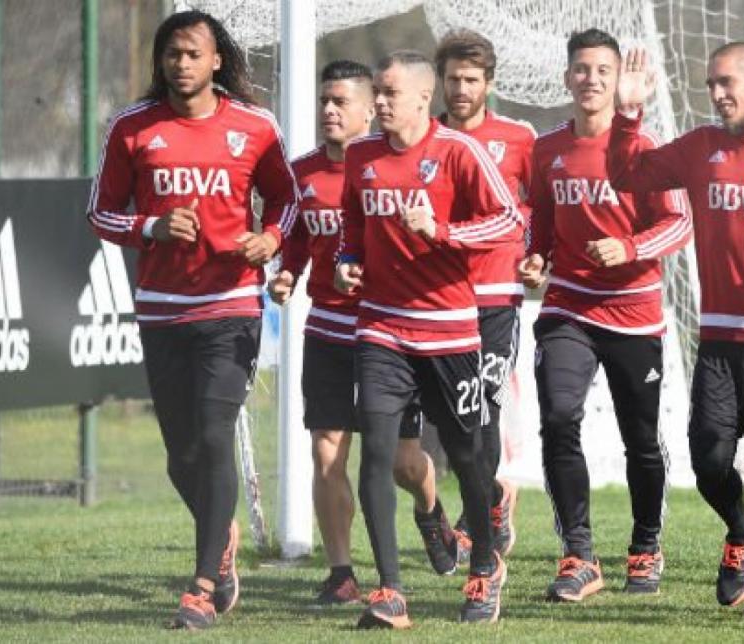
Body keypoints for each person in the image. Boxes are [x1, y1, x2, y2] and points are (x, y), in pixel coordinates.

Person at [87, 10, 299, 630]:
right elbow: (100, 212)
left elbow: (287, 200)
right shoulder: (132, 127)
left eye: (191, 53)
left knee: (213, 434)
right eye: (171, 53)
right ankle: (221, 534)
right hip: (162, 310)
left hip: (231, 304)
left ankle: (203, 586)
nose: (180, 63)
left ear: (215, 61)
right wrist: (151, 226)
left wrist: (270, 238)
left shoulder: (254, 126)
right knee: (181, 455)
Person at [609, 42, 744, 618]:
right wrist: (628, 115)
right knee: (708, 460)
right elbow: (629, 174)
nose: (717, 94)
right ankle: (741, 530)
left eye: (728, 81)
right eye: (711, 83)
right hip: (720, 336)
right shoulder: (700, 146)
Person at [334, 50, 523, 628]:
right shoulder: (362, 157)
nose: (381, 102)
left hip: (448, 332)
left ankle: (484, 564)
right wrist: (347, 261)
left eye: (391, 93)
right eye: (378, 93)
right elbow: (353, 226)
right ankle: (389, 591)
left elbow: (508, 221)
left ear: (422, 97)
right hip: (381, 328)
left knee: (467, 455)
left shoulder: (456, 152)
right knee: (378, 454)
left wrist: (439, 231)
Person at [520, 28, 691, 602]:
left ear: (619, 81)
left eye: (602, 71)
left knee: (639, 439)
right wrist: (536, 258)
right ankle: (579, 554)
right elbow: (540, 218)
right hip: (567, 304)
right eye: (582, 69)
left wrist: (632, 248)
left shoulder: (645, 149)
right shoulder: (546, 149)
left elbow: (679, 223)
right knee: (559, 418)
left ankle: (645, 546)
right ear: (567, 77)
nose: (591, 80)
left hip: (634, 313)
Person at [391, 29, 534, 564]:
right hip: (437, 299)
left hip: (496, 295)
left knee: (485, 407)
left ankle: (480, 522)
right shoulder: (424, 141)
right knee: (451, 422)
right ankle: (491, 497)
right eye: (452, 79)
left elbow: (537, 205)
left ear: (489, 84)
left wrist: (536, 252)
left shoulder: (518, 138)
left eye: (471, 79)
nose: (461, 88)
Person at [267, 60, 375, 605]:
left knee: (400, 461)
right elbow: (294, 236)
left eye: (341, 101)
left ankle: (431, 514)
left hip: (386, 331)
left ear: (369, 109)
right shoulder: (300, 172)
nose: (329, 110)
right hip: (328, 330)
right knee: (327, 453)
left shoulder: (386, 166)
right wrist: (288, 273)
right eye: (324, 100)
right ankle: (342, 571)